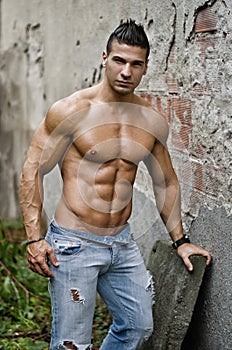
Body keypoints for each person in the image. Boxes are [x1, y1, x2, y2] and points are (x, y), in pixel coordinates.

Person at [19, 19, 211, 350]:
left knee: (138, 327)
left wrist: (181, 240)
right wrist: (34, 238)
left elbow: (164, 181)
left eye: (136, 64)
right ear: (104, 57)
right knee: (72, 345)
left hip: (121, 245)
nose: (126, 71)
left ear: (146, 67)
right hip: (73, 243)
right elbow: (33, 170)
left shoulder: (150, 120)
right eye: (119, 60)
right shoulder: (71, 111)